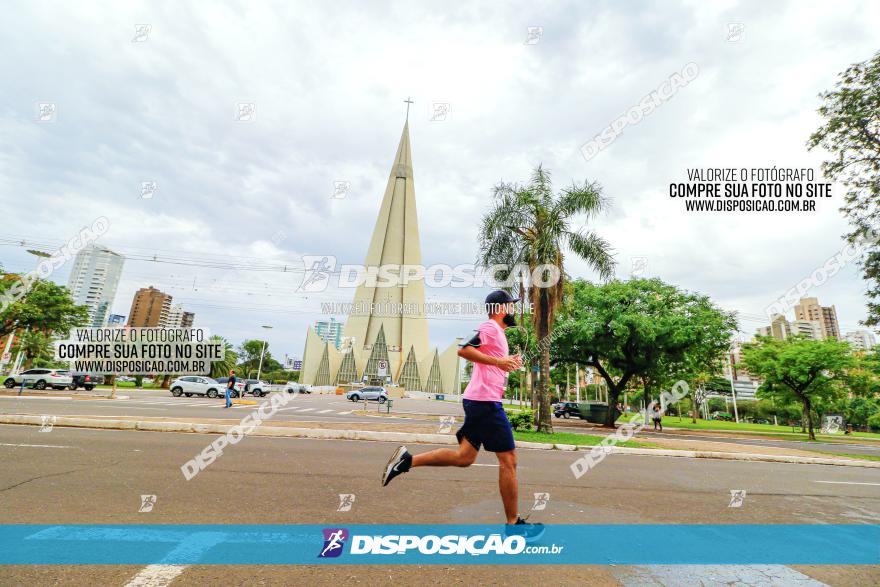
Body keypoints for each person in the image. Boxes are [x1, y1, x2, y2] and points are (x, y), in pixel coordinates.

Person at [381, 290, 543, 538]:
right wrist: (500, 362)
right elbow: (463, 350)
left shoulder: (497, 333)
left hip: (479, 401)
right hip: (485, 403)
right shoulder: (489, 327)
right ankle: (513, 525)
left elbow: (487, 359)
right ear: (501, 308)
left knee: (465, 457)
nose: (514, 311)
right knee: (509, 460)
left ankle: (407, 461)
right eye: (511, 306)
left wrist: (507, 361)